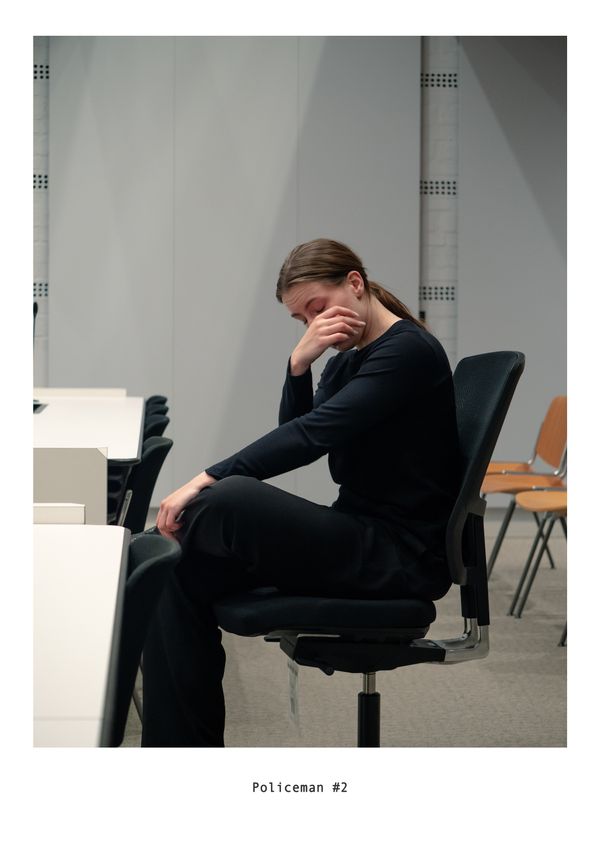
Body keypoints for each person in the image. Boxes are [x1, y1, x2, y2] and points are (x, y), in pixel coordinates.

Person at [142, 237, 461, 746]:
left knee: (228, 498)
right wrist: (298, 367)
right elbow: (300, 432)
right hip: (357, 534)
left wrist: (205, 477)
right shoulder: (346, 358)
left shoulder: (407, 352)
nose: (312, 324)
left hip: (398, 554)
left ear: (355, 284)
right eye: (301, 319)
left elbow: (310, 437)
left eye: (317, 307)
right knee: (170, 566)